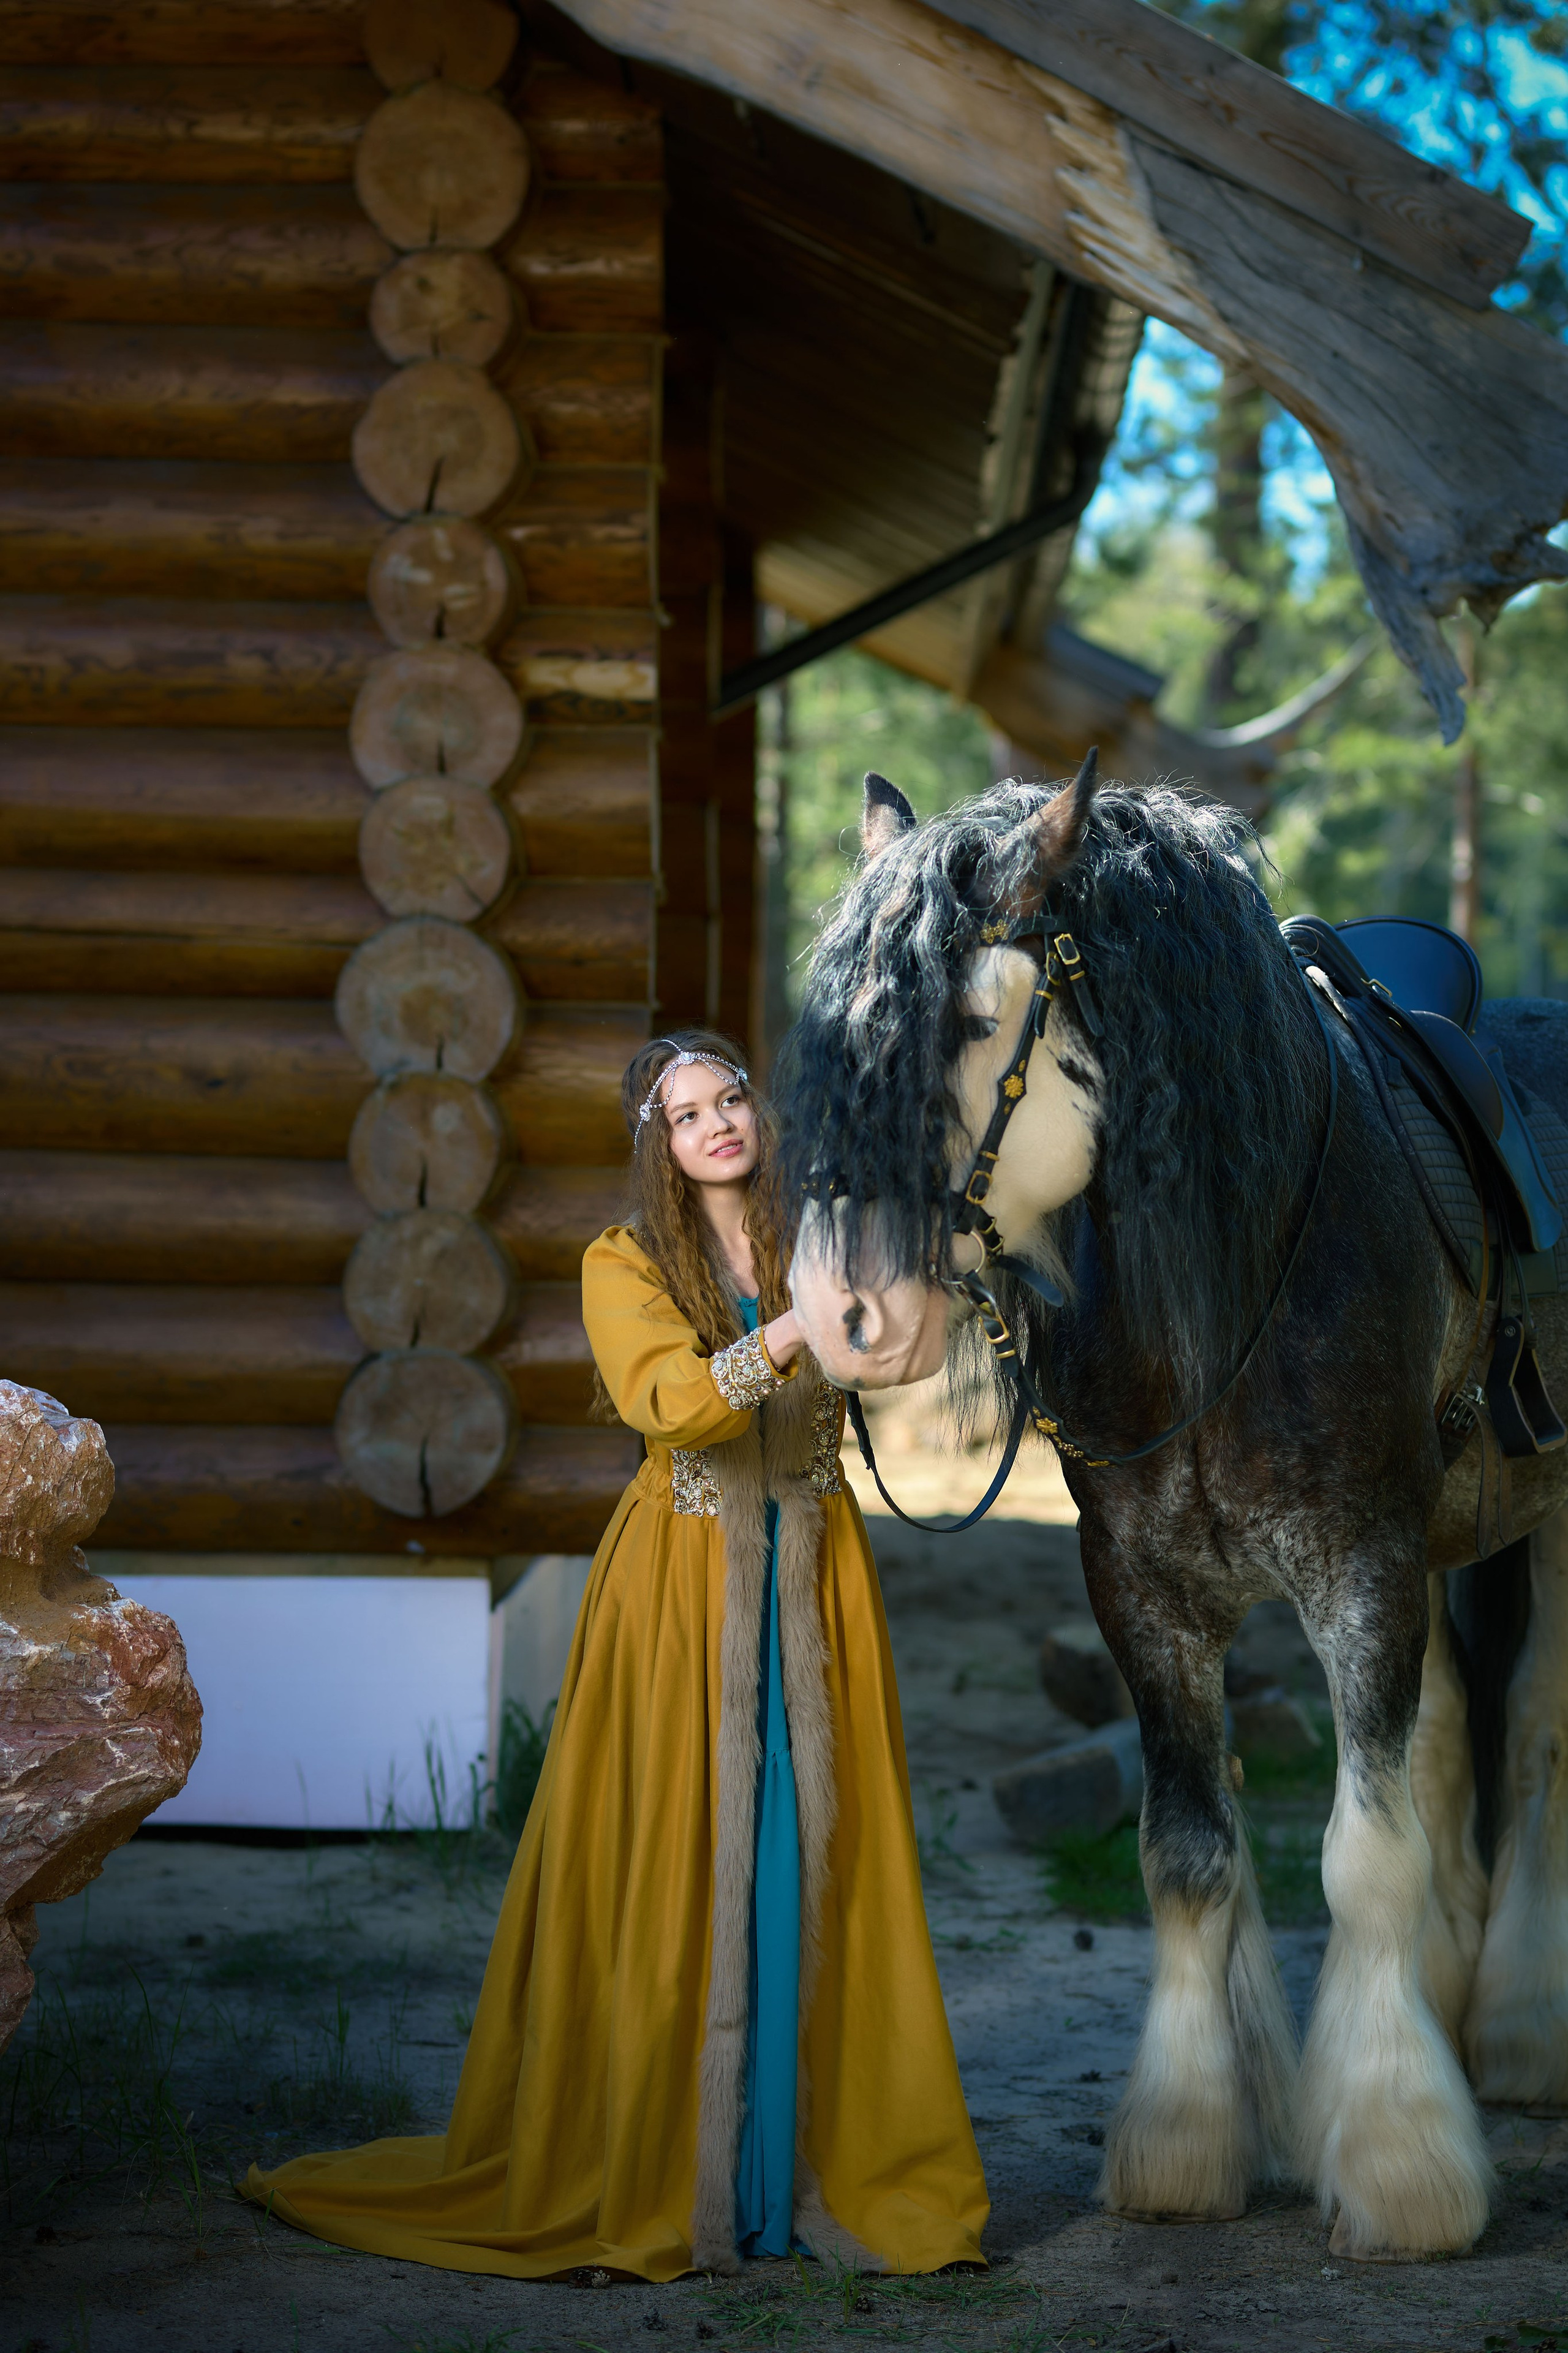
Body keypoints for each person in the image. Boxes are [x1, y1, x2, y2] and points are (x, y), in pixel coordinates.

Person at [246, 1029, 987, 2281]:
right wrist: (799, 1329)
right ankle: (658, 2173)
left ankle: (818, 2171)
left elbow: (904, 1350)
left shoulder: (820, 1228)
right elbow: (674, 1402)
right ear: (655, 1143)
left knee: (823, 1856)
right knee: (672, 1856)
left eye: (729, 1096)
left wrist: (908, 1276)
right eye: (684, 1111)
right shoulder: (623, 1260)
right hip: (684, 1586)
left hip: (814, 1575)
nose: (714, 1122)